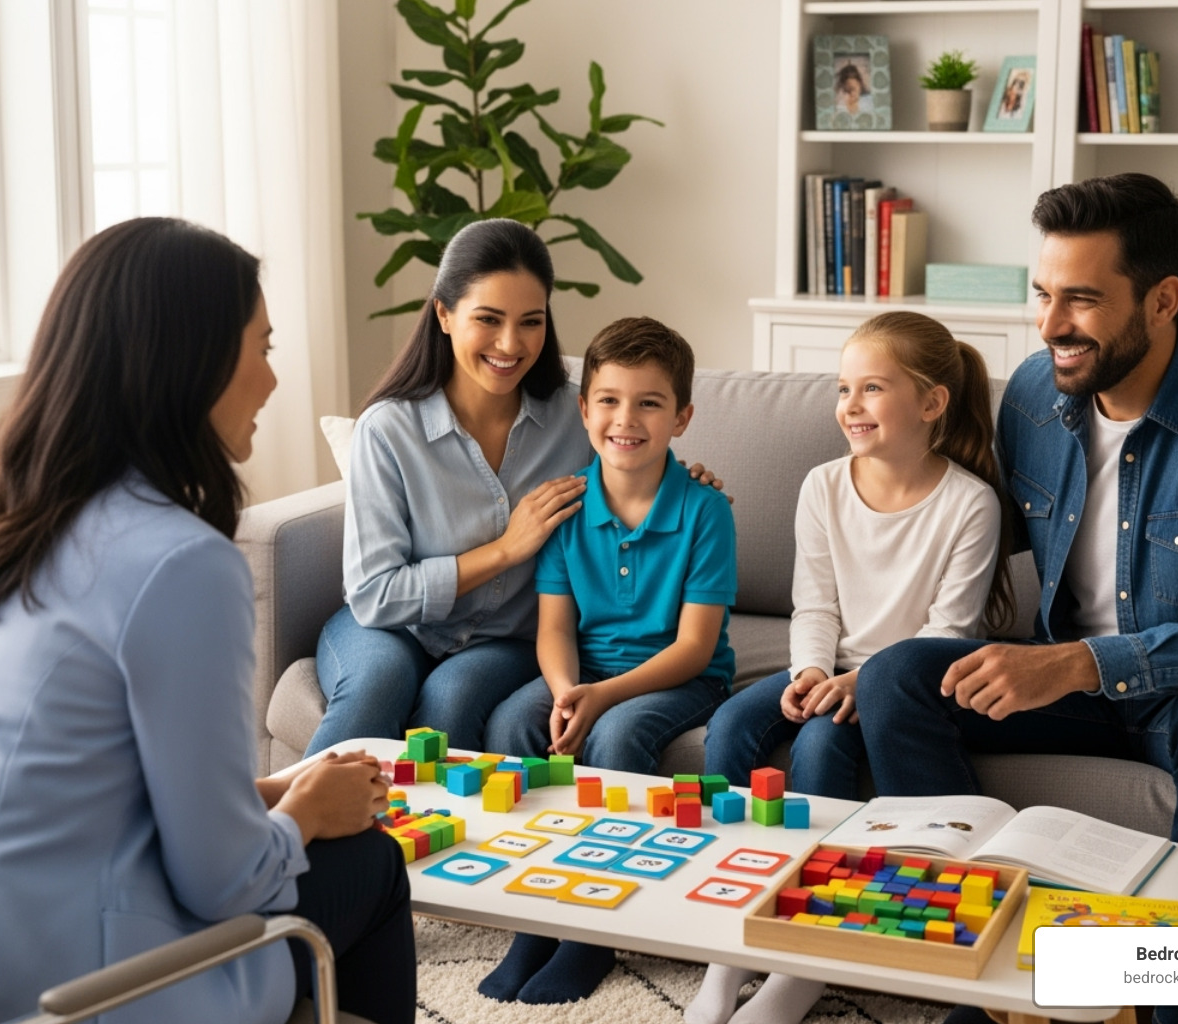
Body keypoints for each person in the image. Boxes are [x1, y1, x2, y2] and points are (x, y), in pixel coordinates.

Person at [0, 218, 415, 1024]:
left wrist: (269, 789)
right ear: (192, 358)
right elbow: (224, 880)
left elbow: (72, 780)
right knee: (371, 861)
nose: (274, 381)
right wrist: (306, 814)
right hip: (85, 994)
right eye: (264, 348)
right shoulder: (182, 564)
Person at [856, 172, 1178, 1024]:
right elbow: (965, 526)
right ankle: (979, 979)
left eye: (1079, 299)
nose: (1048, 326)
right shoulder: (1038, 396)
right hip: (1077, 686)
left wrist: (1077, 665)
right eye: (1042, 293)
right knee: (897, 678)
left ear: (1162, 299)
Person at [688, 311, 1012, 1024]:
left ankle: (807, 957)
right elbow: (816, 605)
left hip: (905, 686)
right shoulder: (824, 485)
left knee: (822, 744)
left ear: (931, 404)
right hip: (826, 663)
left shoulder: (969, 504)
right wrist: (808, 671)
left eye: (872, 388)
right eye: (844, 388)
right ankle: (727, 947)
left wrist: (859, 685)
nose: (850, 406)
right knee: (734, 724)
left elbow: (947, 633)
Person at [308, 219, 719, 755]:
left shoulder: (575, 418)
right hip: (392, 629)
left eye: (531, 321)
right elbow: (373, 596)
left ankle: (449, 839)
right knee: (377, 684)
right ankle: (292, 831)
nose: (510, 343)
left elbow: (638, 462)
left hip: (505, 639)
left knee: (450, 702)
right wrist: (504, 551)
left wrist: (690, 481)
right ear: (443, 314)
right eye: (488, 319)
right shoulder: (387, 430)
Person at [481, 317, 738, 1005]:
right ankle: (533, 914)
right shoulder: (567, 507)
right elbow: (555, 630)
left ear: (681, 417)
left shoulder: (706, 511)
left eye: (649, 403)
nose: (627, 419)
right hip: (585, 671)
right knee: (513, 724)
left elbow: (695, 648)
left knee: (620, 735)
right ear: (584, 409)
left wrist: (600, 698)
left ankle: (593, 929)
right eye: (610, 400)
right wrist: (567, 690)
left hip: (679, 676)